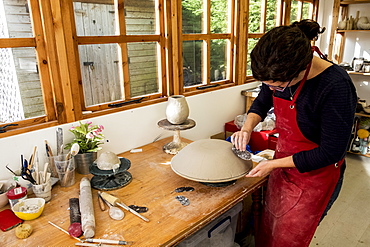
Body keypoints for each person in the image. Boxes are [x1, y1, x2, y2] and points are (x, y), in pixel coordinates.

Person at [231, 20, 357, 247]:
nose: (271, 90)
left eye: (277, 86)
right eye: (266, 84)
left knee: (289, 239)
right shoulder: (277, 73)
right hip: (283, 165)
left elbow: (331, 151)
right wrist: (247, 127)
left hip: (316, 176)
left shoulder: (335, 86)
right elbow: (262, 101)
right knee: (268, 228)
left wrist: (273, 165)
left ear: (300, 69)